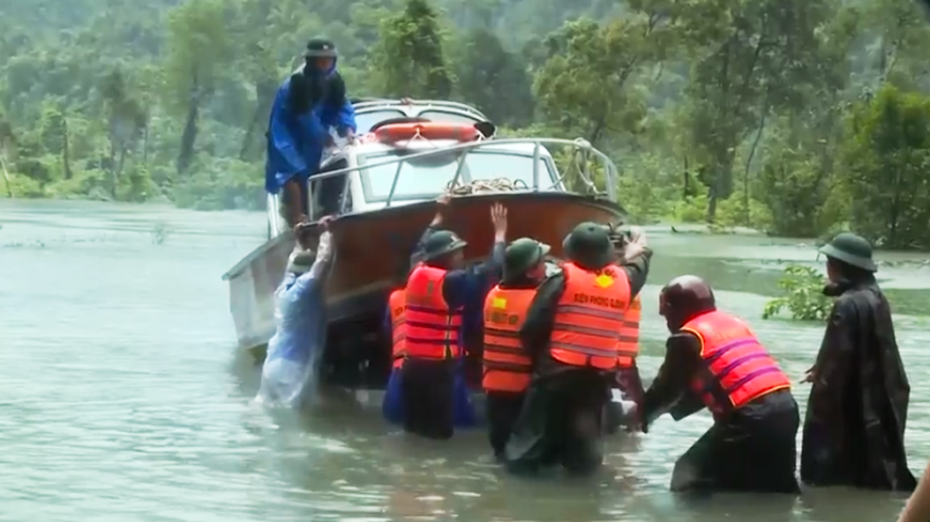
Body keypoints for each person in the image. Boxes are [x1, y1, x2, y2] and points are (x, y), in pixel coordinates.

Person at [504, 222, 651, 476]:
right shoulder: (624, 282)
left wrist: (540, 358)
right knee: (584, 446)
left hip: (555, 371)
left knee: (528, 442)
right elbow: (638, 268)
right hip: (596, 379)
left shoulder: (562, 279)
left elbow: (532, 326)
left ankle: (517, 492)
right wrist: (641, 249)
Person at [640, 275, 800, 494]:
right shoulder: (733, 324)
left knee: (688, 476)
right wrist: (662, 412)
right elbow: (710, 388)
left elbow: (667, 388)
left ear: (677, 308)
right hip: (786, 410)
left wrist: (641, 416)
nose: (663, 317)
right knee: (774, 489)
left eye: (665, 310)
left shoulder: (687, 337)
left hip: (749, 418)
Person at [800, 232, 916, 491]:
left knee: (828, 473)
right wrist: (822, 365)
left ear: (838, 266)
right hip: (877, 394)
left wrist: (822, 382)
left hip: (850, 399)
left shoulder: (847, 304)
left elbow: (837, 365)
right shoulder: (876, 297)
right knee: (872, 464)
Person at [401, 197, 508, 439]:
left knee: (414, 432)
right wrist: (500, 234)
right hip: (437, 372)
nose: (462, 257)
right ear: (445, 257)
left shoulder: (415, 270)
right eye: (457, 253)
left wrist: (439, 217)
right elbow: (492, 268)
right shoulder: (452, 282)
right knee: (438, 435)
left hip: (411, 367)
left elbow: (421, 244)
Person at [265, 38, 357, 226]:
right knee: (292, 171)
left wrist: (348, 128)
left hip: (313, 132)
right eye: (320, 60)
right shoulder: (298, 81)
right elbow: (304, 116)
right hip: (287, 131)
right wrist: (324, 137)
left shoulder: (334, 79)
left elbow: (342, 106)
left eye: (328, 59)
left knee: (314, 170)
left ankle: (323, 212)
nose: (325, 64)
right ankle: (298, 218)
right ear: (311, 61)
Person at [482, 237, 551, 460]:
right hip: (525, 391)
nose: (546, 266)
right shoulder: (539, 300)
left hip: (495, 388)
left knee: (500, 451)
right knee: (526, 455)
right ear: (531, 272)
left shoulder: (493, 295)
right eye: (542, 262)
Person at [256, 216, 334, 408]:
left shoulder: (284, 290)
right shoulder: (303, 291)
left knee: (265, 409)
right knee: (294, 422)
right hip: (292, 369)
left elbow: (293, 265)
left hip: (272, 365)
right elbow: (323, 261)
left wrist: (299, 240)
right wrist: (326, 233)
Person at [381, 284, 407, 425]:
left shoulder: (395, 298)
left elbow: (387, 330)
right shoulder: (445, 295)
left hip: (399, 366)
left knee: (391, 420)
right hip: (432, 367)